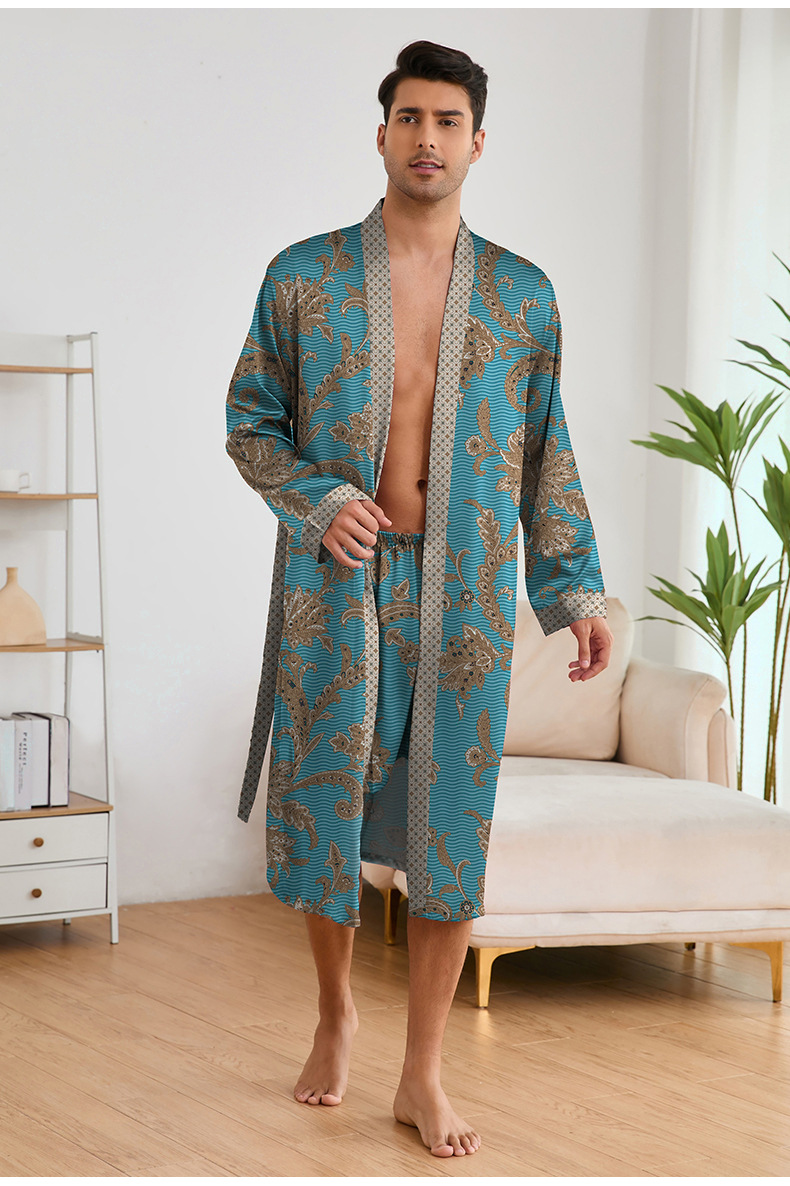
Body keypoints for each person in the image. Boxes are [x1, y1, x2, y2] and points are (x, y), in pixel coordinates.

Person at [225, 39, 614, 1158]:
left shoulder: (524, 297)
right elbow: (250, 421)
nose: (428, 138)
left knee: (450, 826)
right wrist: (316, 501)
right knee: (324, 807)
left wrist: (575, 590)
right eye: (411, 118)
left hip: (466, 593)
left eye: (448, 121)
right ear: (382, 133)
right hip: (338, 582)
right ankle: (335, 1014)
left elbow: (545, 454)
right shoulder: (303, 278)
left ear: (477, 142)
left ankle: (423, 1073)